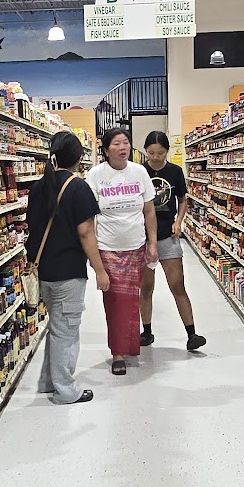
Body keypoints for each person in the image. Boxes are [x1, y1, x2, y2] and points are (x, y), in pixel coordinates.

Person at [25, 131, 104, 405]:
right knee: (66, 332)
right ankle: (66, 391)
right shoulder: (78, 187)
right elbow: (86, 233)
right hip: (68, 273)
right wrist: (100, 270)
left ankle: (49, 382)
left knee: (57, 327)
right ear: (79, 158)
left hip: (43, 272)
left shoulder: (38, 186)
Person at [86, 127, 158, 376]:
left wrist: (152, 243)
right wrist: (94, 260)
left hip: (136, 246)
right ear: (106, 150)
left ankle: (130, 345)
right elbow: (88, 217)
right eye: (116, 143)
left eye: (125, 142)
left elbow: (149, 211)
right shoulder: (96, 175)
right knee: (115, 301)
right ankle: (118, 352)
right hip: (108, 248)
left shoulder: (139, 172)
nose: (122, 147)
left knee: (132, 298)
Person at [137, 131, 205, 353]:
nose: (155, 157)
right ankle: (146, 332)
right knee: (146, 288)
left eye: (160, 153)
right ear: (145, 151)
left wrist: (179, 221)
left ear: (167, 151)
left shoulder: (175, 172)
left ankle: (192, 334)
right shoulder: (139, 172)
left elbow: (183, 200)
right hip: (143, 238)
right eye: (151, 153)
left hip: (168, 235)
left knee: (177, 285)